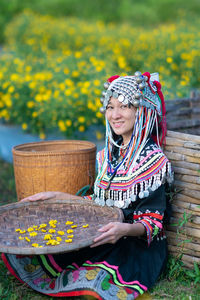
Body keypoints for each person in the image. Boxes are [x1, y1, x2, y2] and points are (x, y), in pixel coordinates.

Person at [2, 71, 173, 299]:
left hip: (134, 244)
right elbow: (99, 203)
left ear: (142, 111)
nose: (115, 115)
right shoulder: (108, 156)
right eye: (110, 107)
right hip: (104, 233)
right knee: (30, 253)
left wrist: (124, 229)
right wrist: (56, 196)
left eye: (124, 106)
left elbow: (153, 222)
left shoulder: (153, 161)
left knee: (94, 279)